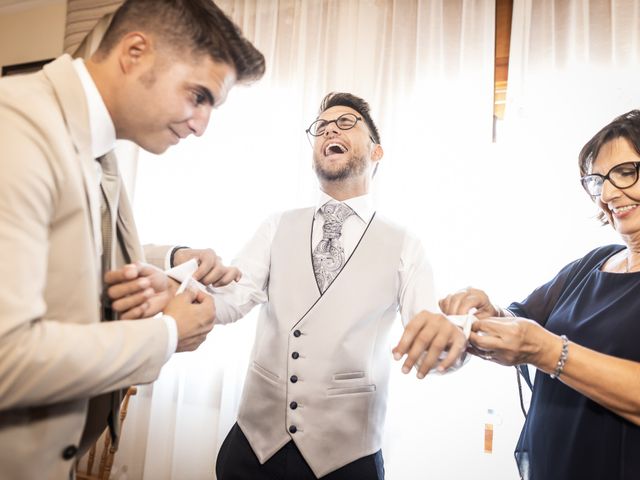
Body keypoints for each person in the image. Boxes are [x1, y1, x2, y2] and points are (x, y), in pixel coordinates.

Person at [0, 0, 265, 478]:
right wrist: (165, 333)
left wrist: (176, 258)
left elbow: (70, 242)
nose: (202, 126)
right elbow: (6, 358)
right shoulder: (16, 128)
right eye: (198, 96)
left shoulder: (95, 143)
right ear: (136, 51)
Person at [207, 92, 467, 480]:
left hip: (347, 461)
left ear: (376, 152)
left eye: (346, 122)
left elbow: (429, 329)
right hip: (252, 449)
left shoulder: (406, 244)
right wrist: (189, 292)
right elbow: (232, 298)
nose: (329, 127)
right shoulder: (277, 224)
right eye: (321, 127)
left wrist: (454, 340)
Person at [440, 110, 640, 480]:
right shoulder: (593, 263)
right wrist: (488, 312)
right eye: (597, 181)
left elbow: (540, 343)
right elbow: (522, 318)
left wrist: (550, 352)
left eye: (627, 172)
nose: (609, 194)